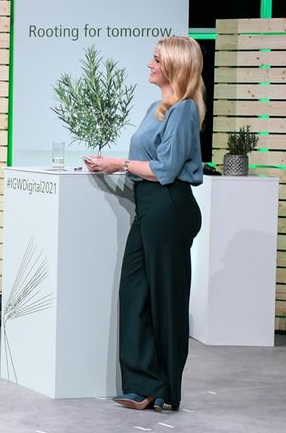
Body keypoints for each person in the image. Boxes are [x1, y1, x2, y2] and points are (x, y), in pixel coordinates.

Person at [84, 36, 205, 412]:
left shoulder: (183, 110)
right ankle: (143, 383)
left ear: (175, 66)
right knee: (135, 293)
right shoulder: (157, 107)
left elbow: (166, 169)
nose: (150, 64)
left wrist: (117, 164)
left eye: (157, 59)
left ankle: (165, 388)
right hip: (150, 207)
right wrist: (113, 165)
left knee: (165, 300)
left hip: (169, 207)